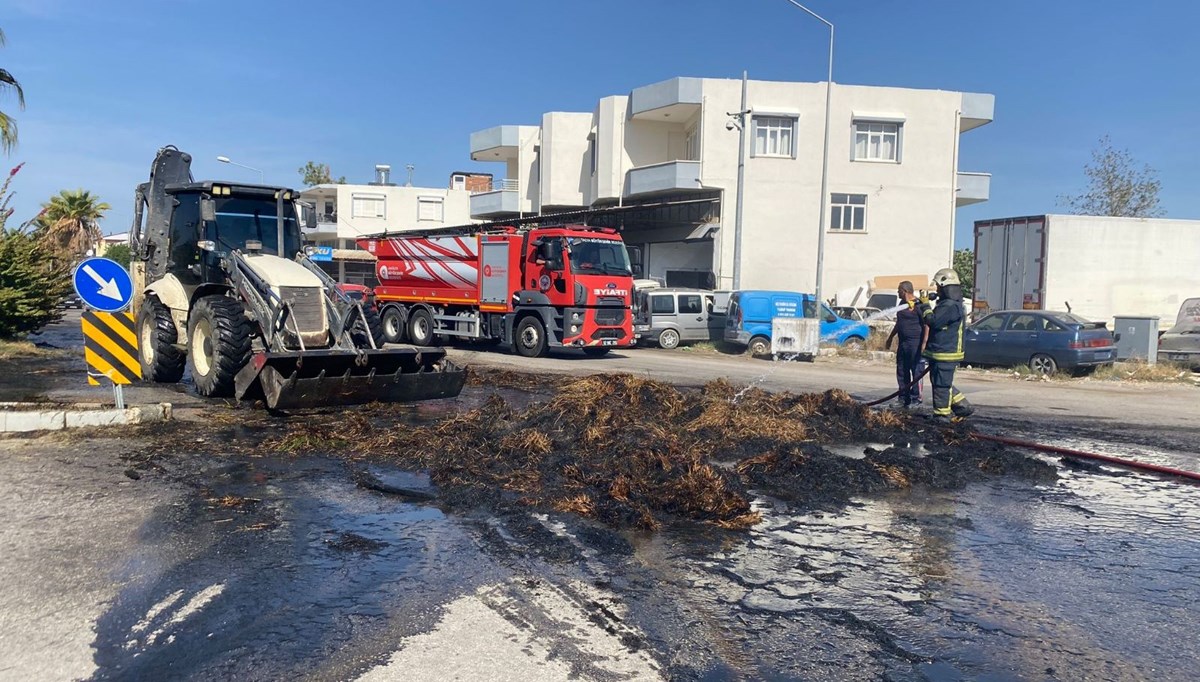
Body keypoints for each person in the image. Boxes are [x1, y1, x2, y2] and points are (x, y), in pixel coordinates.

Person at [919, 268, 975, 422]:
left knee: (942, 385)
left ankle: (941, 416)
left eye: (939, 287)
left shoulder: (950, 306)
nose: (937, 289)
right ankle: (962, 406)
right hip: (940, 351)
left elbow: (933, 321)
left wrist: (925, 305)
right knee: (942, 382)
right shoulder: (947, 304)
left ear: (946, 286)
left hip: (946, 352)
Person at [885, 281, 928, 408]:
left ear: (904, 291)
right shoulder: (902, 304)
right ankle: (903, 398)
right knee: (902, 371)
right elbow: (899, 323)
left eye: (899, 290)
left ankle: (916, 399)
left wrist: (924, 343)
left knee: (916, 371)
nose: (897, 292)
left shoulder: (919, 305)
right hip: (903, 343)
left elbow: (927, 324)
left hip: (916, 343)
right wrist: (890, 337)